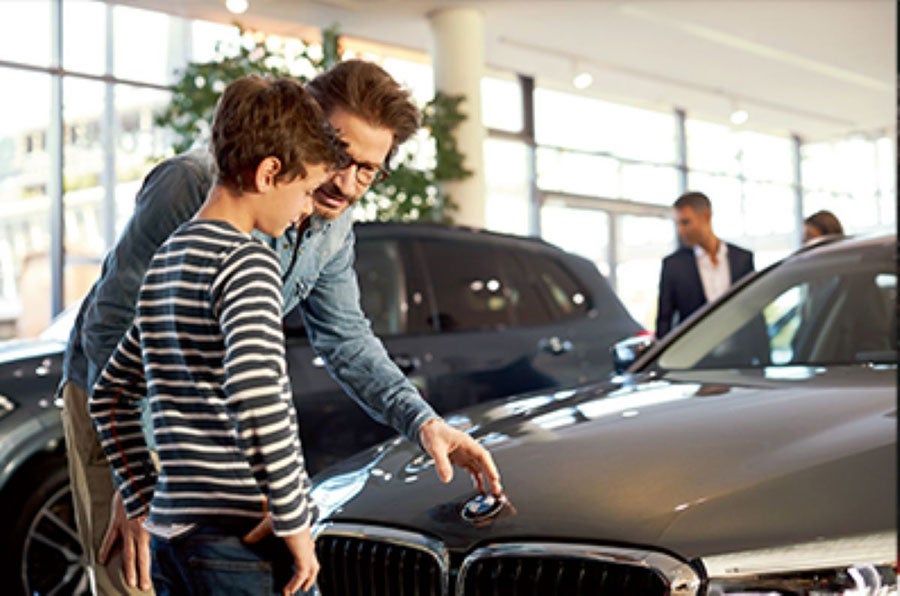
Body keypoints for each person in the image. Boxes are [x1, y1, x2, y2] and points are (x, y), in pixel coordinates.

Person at [59, 59, 502, 595]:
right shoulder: (193, 186)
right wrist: (142, 485)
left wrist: (423, 422)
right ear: (304, 131)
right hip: (127, 412)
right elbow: (111, 331)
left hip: (211, 429)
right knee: (133, 579)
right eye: (339, 156)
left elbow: (347, 340)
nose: (346, 183)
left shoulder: (333, 229)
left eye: (368, 169)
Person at [90, 75, 343, 595]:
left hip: (172, 540)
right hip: (241, 541)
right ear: (270, 172)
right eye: (304, 191)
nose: (303, 212)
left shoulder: (168, 260)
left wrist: (141, 495)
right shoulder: (246, 261)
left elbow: (109, 396)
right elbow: (255, 392)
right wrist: (294, 520)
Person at [655, 191, 755, 339]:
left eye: (685, 222)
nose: (680, 231)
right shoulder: (673, 265)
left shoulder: (742, 259)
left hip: (740, 352)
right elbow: (664, 320)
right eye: (677, 224)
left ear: (706, 216)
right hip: (694, 356)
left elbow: (753, 311)